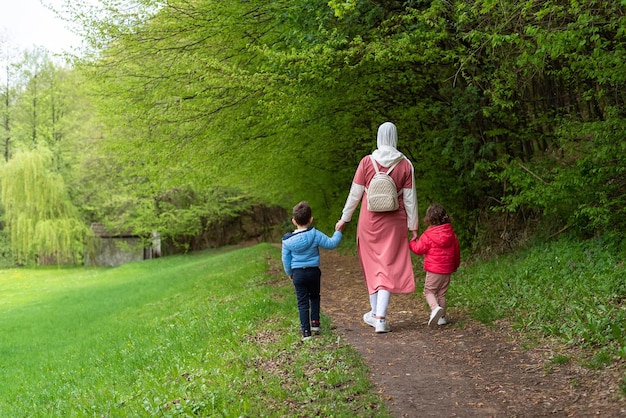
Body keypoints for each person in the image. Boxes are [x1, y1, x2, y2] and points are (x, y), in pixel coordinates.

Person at [336, 122, 418, 333]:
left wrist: (344, 219)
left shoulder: (366, 162)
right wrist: (413, 226)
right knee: (388, 266)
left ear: (379, 137)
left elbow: (355, 194)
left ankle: (377, 315)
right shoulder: (405, 164)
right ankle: (378, 316)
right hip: (395, 221)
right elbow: (410, 200)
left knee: (372, 266)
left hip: (369, 221)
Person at [282, 201, 343, 340]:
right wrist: (338, 231)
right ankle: (315, 323)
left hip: (298, 273)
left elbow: (286, 259)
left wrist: (289, 273)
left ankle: (306, 332)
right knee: (315, 296)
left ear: (293, 221)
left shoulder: (287, 241)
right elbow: (331, 244)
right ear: (311, 219)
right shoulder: (315, 234)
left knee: (302, 303)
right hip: (313, 272)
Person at [409, 203, 460, 326]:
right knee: (441, 293)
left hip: (434, 270)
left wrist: (412, 242)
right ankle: (442, 318)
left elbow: (419, 249)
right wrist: (455, 266)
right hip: (447, 269)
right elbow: (457, 252)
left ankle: (434, 308)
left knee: (429, 291)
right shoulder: (452, 234)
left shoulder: (428, 235)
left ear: (429, 219)